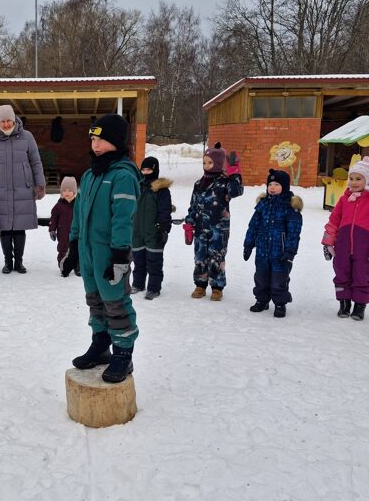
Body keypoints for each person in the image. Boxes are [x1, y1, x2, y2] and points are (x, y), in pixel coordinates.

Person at [63, 114, 140, 384]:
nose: (95, 145)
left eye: (101, 140)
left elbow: (123, 219)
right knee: (95, 301)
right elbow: (78, 215)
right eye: (93, 140)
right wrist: (73, 246)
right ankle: (101, 345)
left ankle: (123, 354)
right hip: (88, 253)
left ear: (116, 142)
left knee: (115, 302)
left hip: (110, 255)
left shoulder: (123, 177)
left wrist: (120, 255)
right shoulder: (89, 175)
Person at [0, 105, 46, 274]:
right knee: (5, 227)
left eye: (9, 120)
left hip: (23, 188)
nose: (6, 124)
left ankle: (19, 262)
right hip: (0, 190)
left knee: (19, 227)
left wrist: (40, 184)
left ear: (14, 119)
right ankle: (8, 262)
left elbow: (36, 162)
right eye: (2, 121)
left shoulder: (27, 137)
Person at [183, 142, 243, 301]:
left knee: (217, 257)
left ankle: (217, 287)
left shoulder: (225, 182)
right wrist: (189, 223)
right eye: (204, 162)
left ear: (218, 163)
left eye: (210, 162)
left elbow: (236, 192)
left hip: (219, 229)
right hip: (200, 228)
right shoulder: (199, 183)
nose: (206, 165)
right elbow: (193, 205)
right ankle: (200, 285)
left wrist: (234, 173)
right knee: (200, 257)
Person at [243, 169, 303, 318]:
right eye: (270, 184)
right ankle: (262, 300)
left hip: (280, 252)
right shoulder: (263, 205)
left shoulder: (289, 207)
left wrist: (290, 251)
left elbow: (294, 232)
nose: (272, 187)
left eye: (277, 184)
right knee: (261, 277)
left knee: (279, 279)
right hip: (262, 250)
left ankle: (280, 304)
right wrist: (248, 244)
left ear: (285, 186)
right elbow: (253, 226)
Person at [322, 156, 369, 321]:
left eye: (359, 179)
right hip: (342, 247)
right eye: (351, 178)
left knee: (362, 275)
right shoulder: (344, 200)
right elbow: (333, 222)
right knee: (341, 273)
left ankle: (359, 306)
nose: (354, 182)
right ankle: (344, 303)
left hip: (364, 249)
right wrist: (327, 242)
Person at [131, 156, 173, 300]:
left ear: (155, 170)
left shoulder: (161, 190)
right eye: (143, 170)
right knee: (138, 260)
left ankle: (154, 288)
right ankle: (138, 284)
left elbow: (165, 210)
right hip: (137, 231)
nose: (145, 172)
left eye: (148, 170)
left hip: (154, 231)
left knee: (154, 261)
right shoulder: (138, 187)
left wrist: (164, 228)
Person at [50, 176, 79, 276]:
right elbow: (53, 218)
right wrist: (52, 230)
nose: (67, 193)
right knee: (63, 249)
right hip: (62, 233)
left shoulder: (78, 205)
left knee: (77, 249)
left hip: (75, 233)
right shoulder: (59, 205)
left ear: (74, 192)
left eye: (70, 190)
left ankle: (77, 266)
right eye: (64, 190)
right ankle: (63, 265)